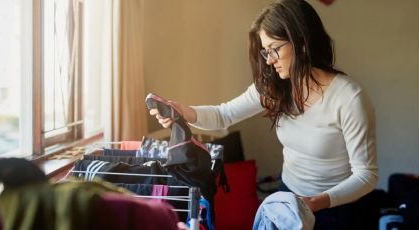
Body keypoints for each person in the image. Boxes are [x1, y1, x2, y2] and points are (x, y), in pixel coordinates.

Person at [150, 0, 378, 229]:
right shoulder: (275, 87)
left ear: (302, 42)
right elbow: (223, 115)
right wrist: (182, 112)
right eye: (265, 51)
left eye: (274, 49)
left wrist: (314, 203)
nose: (269, 60)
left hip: (335, 210)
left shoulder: (349, 98)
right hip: (288, 197)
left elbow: (366, 176)